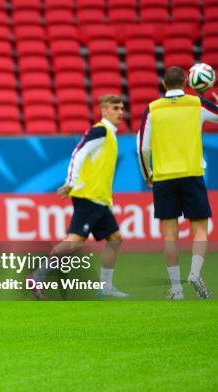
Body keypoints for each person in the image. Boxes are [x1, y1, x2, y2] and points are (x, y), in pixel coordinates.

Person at [30, 94, 129, 299]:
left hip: (100, 199)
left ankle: (106, 288)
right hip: (88, 196)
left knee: (115, 238)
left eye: (121, 108)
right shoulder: (100, 130)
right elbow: (79, 152)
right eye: (115, 108)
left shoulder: (109, 134)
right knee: (74, 240)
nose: (121, 112)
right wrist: (71, 182)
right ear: (104, 110)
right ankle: (37, 277)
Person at [137, 66, 218, 300]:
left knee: (170, 234)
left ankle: (176, 288)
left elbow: (143, 147)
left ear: (163, 85)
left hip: (164, 178)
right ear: (186, 83)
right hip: (192, 174)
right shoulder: (197, 104)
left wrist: (147, 174)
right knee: (200, 228)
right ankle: (194, 272)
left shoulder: (152, 109)